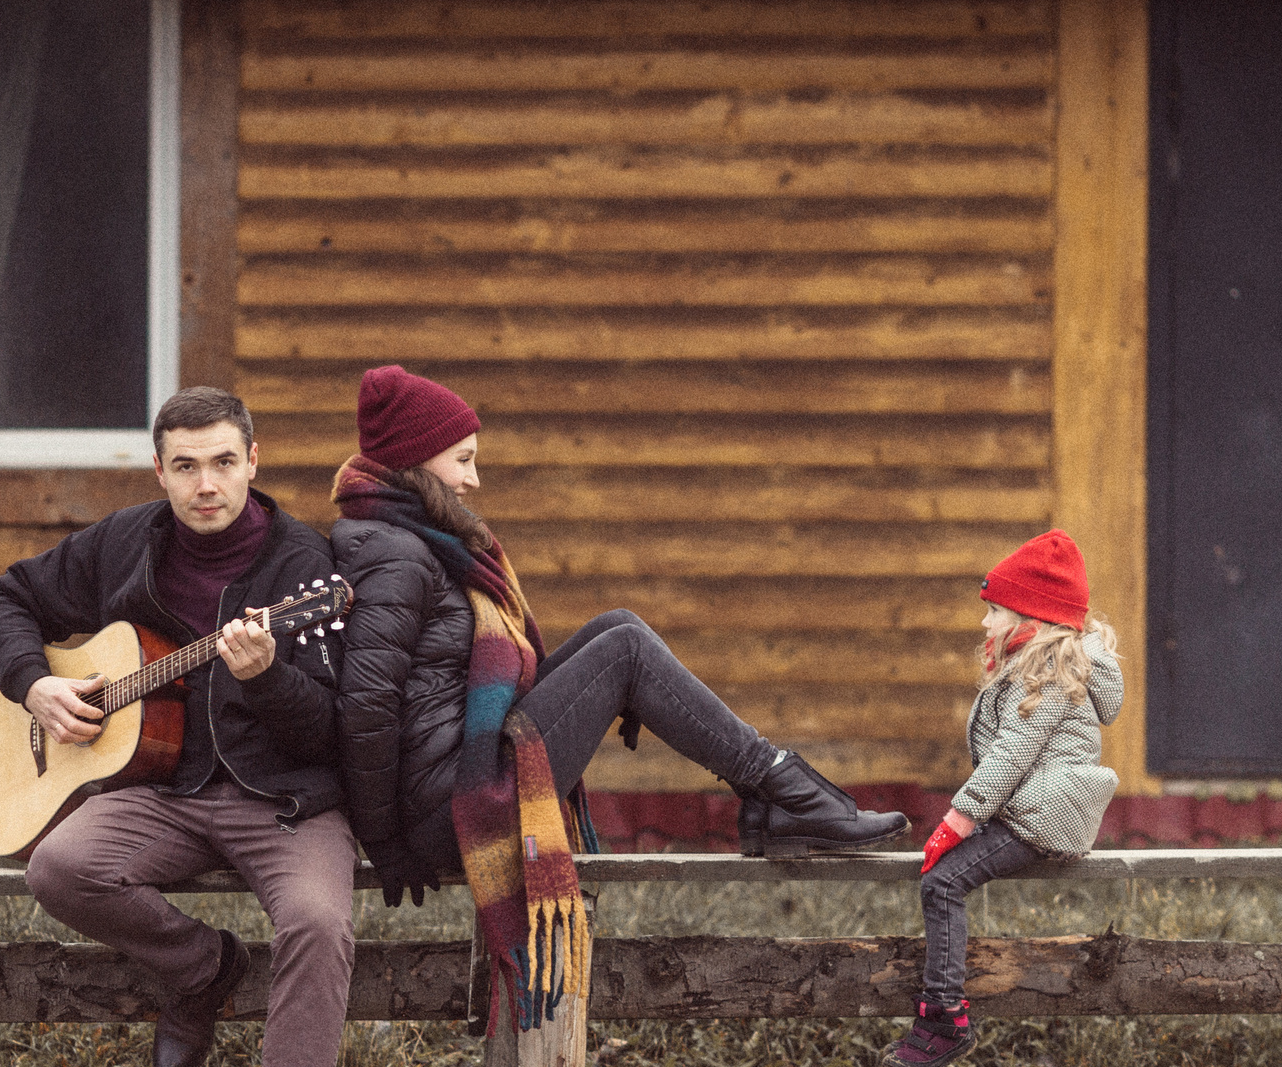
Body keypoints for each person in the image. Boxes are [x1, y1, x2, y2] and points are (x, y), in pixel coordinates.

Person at [330, 364, 907, 946]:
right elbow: (366, 705)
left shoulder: (406, 538)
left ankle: (774, 796)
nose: (473, 480)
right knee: (625, 651)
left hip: (457, 775)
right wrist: (384, 842)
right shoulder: (396, 553)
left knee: (619, 626)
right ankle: (786, 791)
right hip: (451, 808)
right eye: (463, 460)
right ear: (416, 459)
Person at [0, 386, 347, 1067]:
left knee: (320, 923)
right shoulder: (125, 542)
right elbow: (3, 598)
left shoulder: (307, 571)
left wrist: (267, 678)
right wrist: (35, 682)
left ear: (254, 461)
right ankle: (205, 965)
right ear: (160, 470)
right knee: (59, 866)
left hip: (283, 800)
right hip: (168, 790)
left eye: (224, 462)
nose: (206, 483)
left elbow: (334, 727)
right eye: (186, 466)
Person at [879, 529, 1125, 1067]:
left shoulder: (1047, 671)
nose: (986, 622)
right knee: (944, 878)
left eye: (995, 610)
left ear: (1027, 617)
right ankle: (941, 1012)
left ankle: (943, 1017)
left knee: (942, 881)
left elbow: (1011, 755)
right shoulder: (1044, 665)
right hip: (1039, 809)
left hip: (1042, 813)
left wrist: (957, 821)